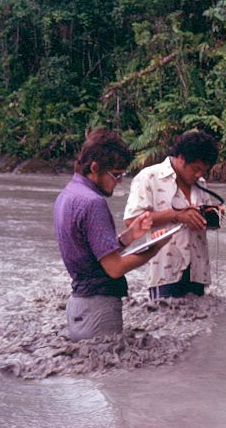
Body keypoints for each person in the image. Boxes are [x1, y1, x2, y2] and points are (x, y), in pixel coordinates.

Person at [54, 129, 170, 341]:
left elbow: (94, 255)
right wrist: (155, 247)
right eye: (116, 175)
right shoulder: (93, 203)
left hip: (79, 306)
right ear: (95, 168)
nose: (119, 182)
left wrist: (131, 234)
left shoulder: (67, 194)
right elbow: (114, 268)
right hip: (99, 309)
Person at [123, 130, 220, 299]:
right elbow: (131, 221)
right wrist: (177, 215)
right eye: (195, 169)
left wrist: (214, 216)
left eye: (203, 171)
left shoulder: (200, 184)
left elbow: (205, 221)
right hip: (164, 272)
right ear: (181, 158)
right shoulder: (149, 177)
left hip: (197, 271)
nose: (199, 175)